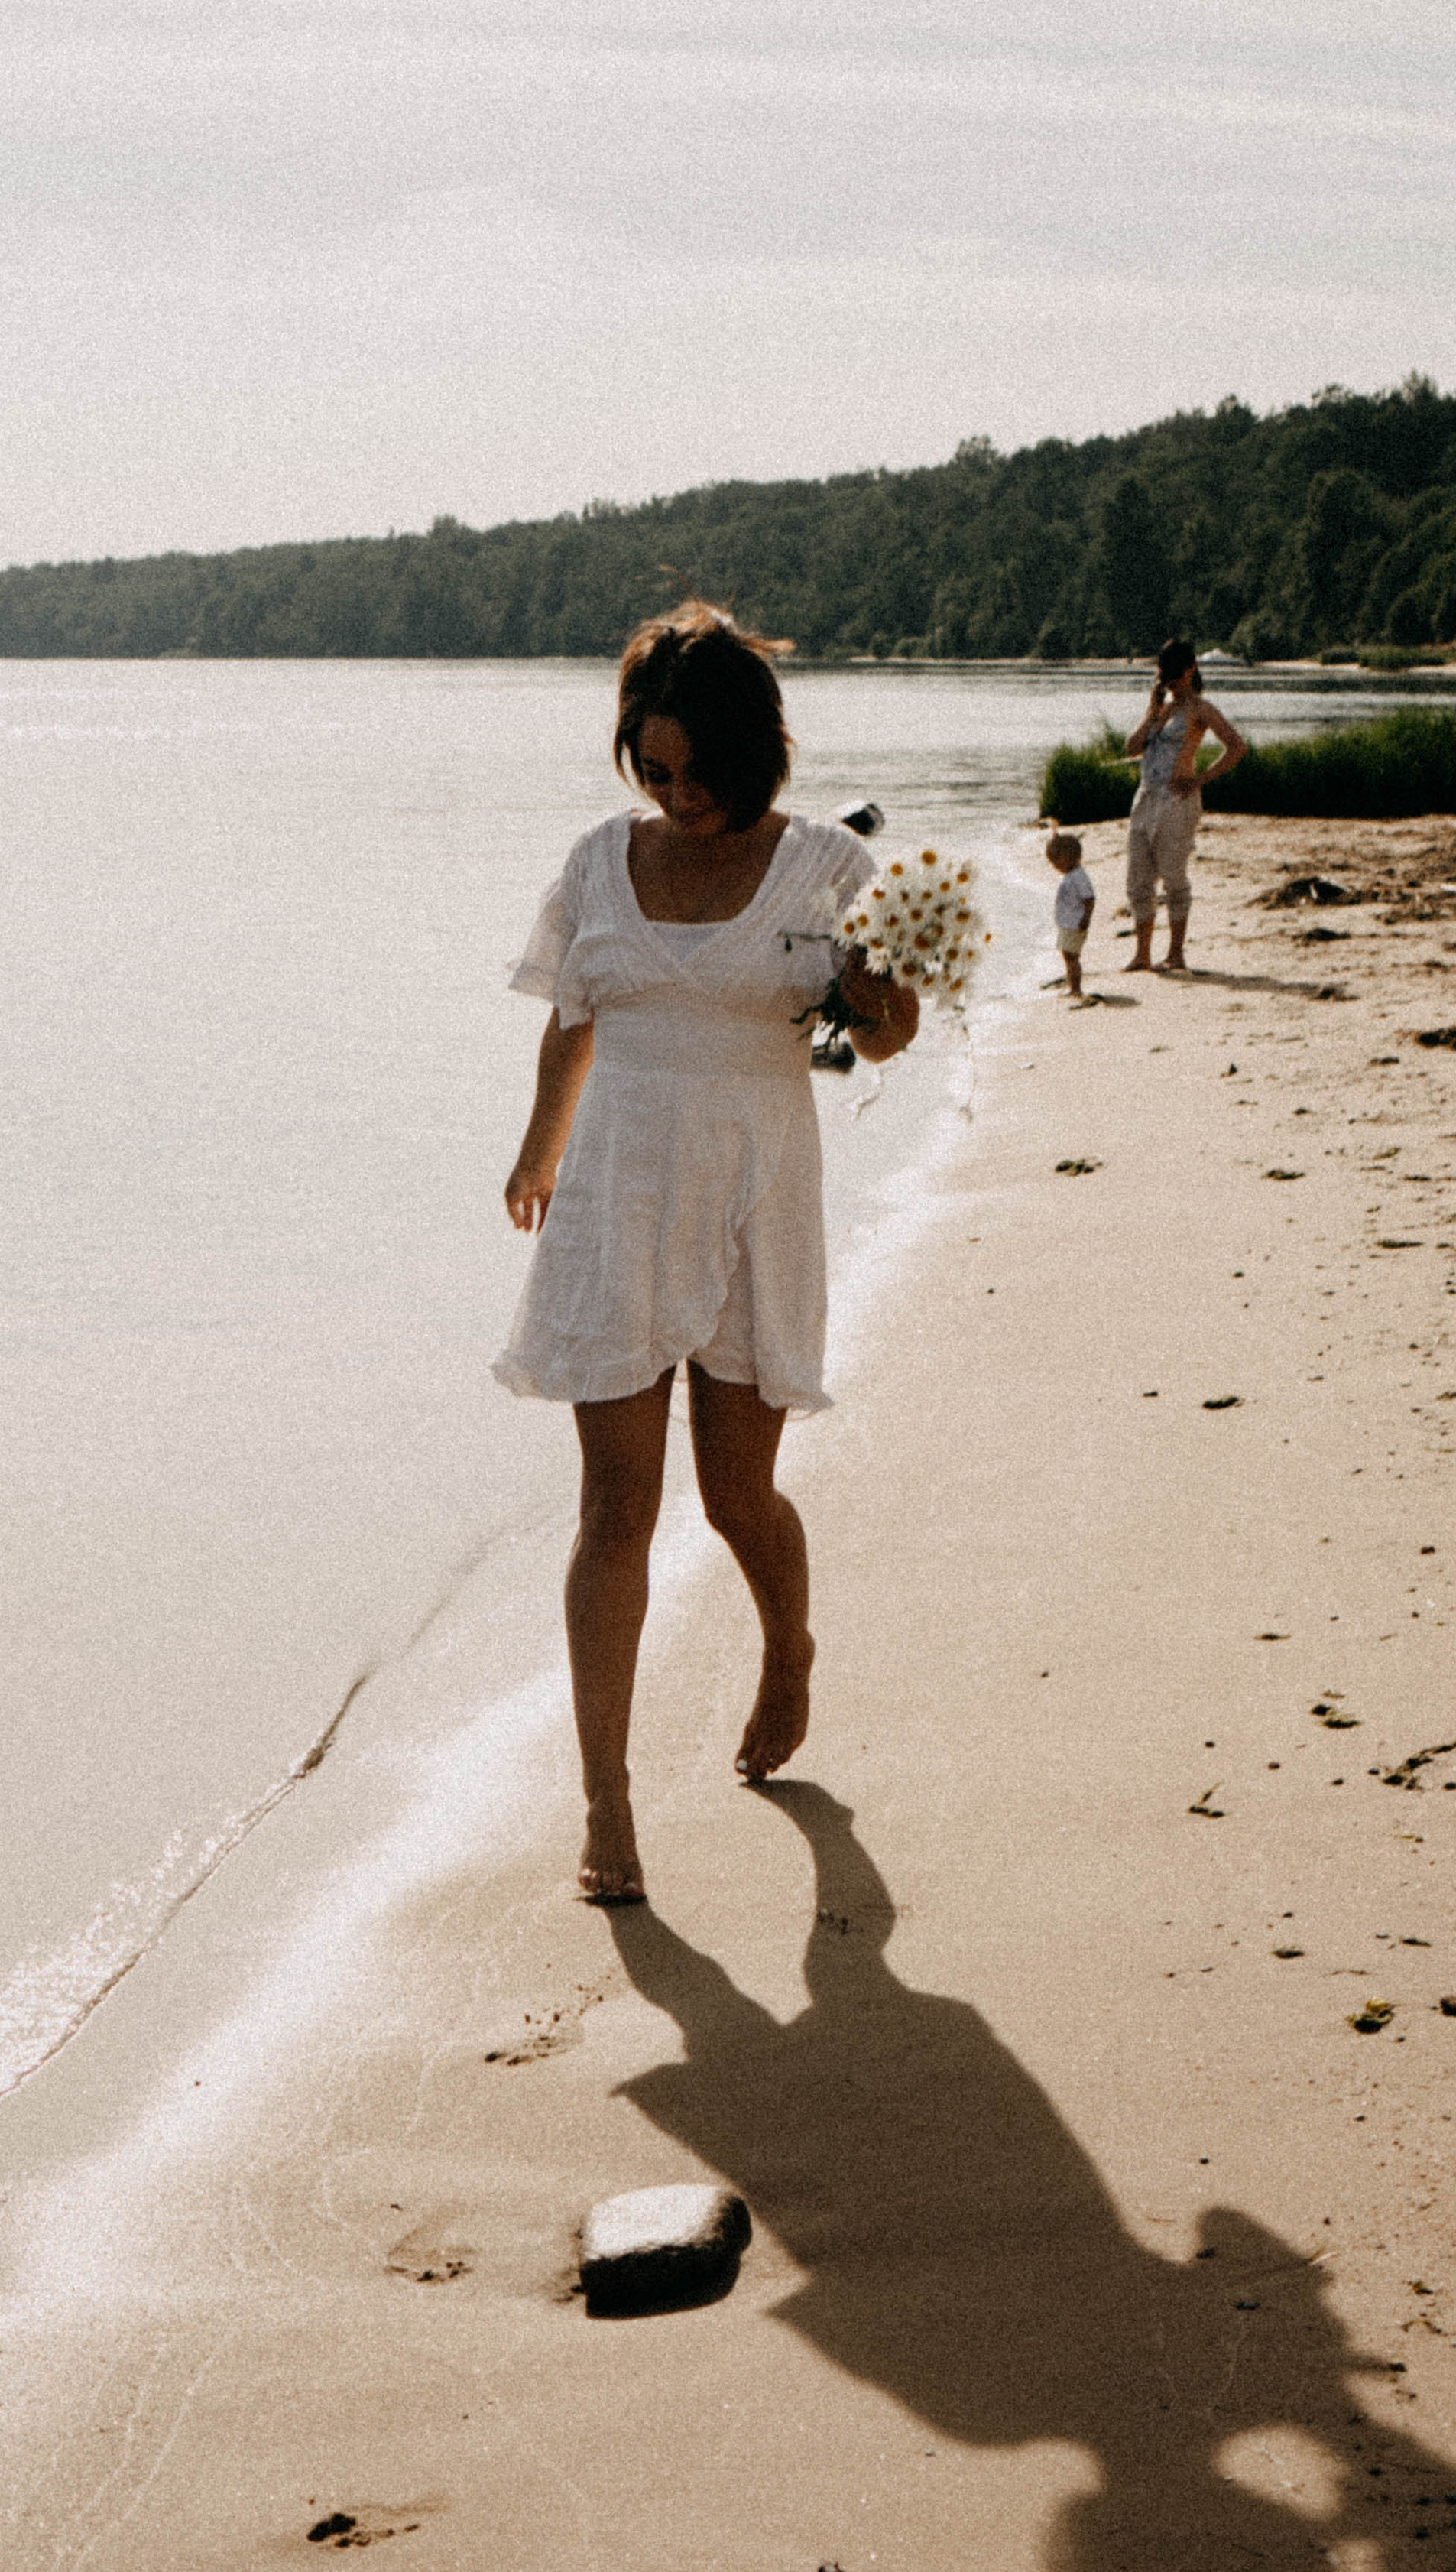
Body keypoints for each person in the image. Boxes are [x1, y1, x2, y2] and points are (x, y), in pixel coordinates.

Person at [495, 602, 919, 1904]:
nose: (677, 793)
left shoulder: (830, 873)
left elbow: (891, 1033)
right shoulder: (593, 864)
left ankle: (787, 1643)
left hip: (755, 1187)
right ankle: (606, 1807)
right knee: (616, 1508)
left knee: (739, 1497)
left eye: (698, 769)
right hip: (617, 1195)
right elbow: (572, 1022)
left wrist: (871, 991)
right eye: (653, 768)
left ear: (754, 752)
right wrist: (534, 1153)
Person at [1122, 639, 1245, 972]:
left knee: (1173, 875)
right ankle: (1142, 953)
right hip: (1146, 797)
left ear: (1191, 669)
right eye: (1166, 675)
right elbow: (1131, 748)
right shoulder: (1160, 710)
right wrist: (1151, 711)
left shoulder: (1201, 709)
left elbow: (1236, 746)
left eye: (1177, 674)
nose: (1172, 681)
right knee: (1138, 877)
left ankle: (1175, 953)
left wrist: (1198, 779)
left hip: (1178, 800)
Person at [1046, 831, 1095, 997]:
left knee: (1071, 957)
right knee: (1068, 956)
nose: (1054, 867)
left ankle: (1075, 988)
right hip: (1068, 923)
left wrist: (1086, 918)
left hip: (1075, 924)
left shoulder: (1078, 877)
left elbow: (1089, 899)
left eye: (1055, 863)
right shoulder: (1071, 875)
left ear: (1066, 858)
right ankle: (1073, 986)